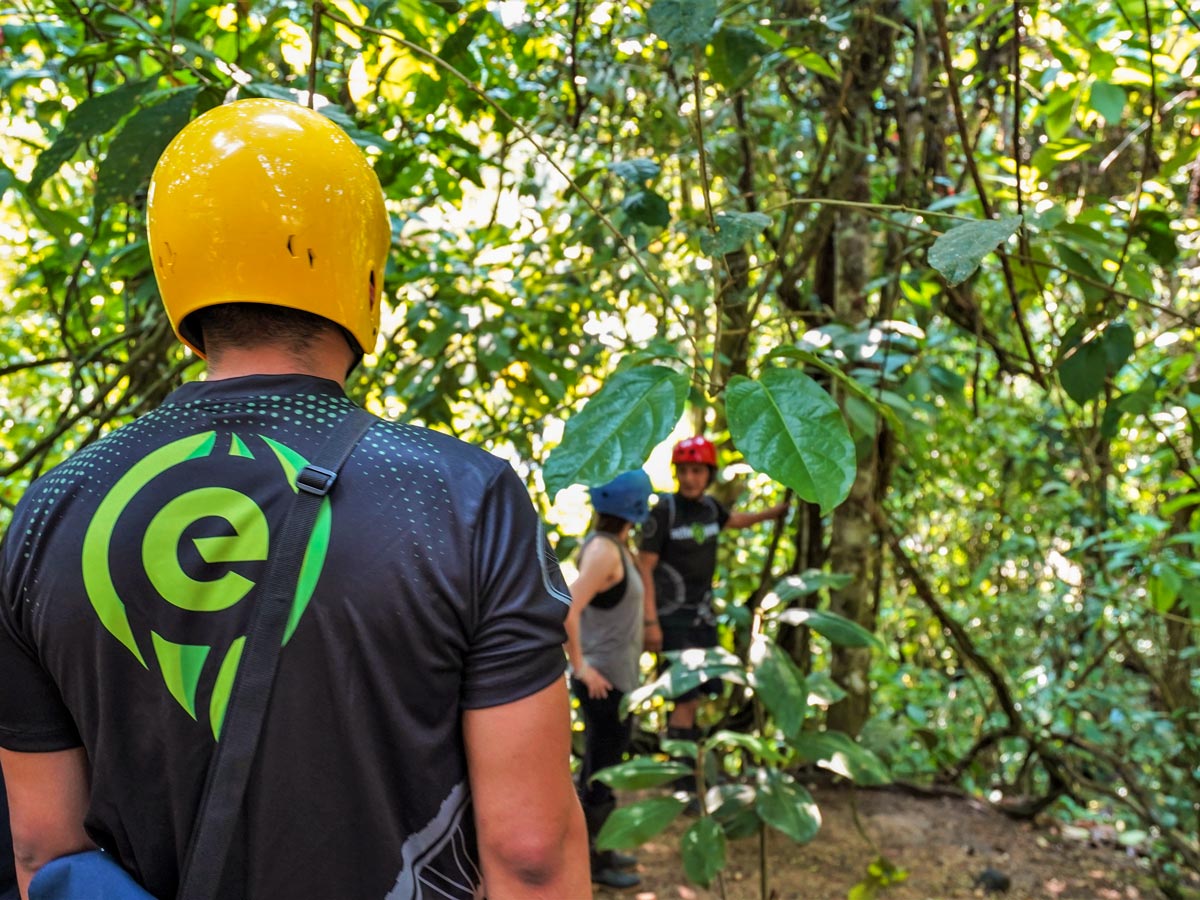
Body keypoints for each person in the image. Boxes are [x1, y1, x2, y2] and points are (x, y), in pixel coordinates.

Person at [0, 99, 589, 899]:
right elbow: (530, 855)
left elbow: (45, 855)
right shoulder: (463, 500)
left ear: (176, 263)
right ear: (365, 271)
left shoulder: (50, 512)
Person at [637, 436, 787, 762]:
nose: (690, 478)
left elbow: (734, 521)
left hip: (703, 619)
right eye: (684, 471)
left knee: (700, 693)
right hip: (671, 620)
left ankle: (687, 768)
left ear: (709, 474)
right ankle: (682, 773)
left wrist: (774, 513)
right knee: (684, 695)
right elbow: (644, 568)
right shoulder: (664, 512)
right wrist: (650, 623)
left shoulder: (710, 509)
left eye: (697, 471)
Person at [563, 470, 654, 890]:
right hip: (602, 680)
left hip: (615, 678)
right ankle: (592, 863)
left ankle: (603, 848)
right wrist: (581, 666)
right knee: (600, 771)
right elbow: (568, 609)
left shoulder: (613, 545)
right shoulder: (604, 550)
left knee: (605, 766)